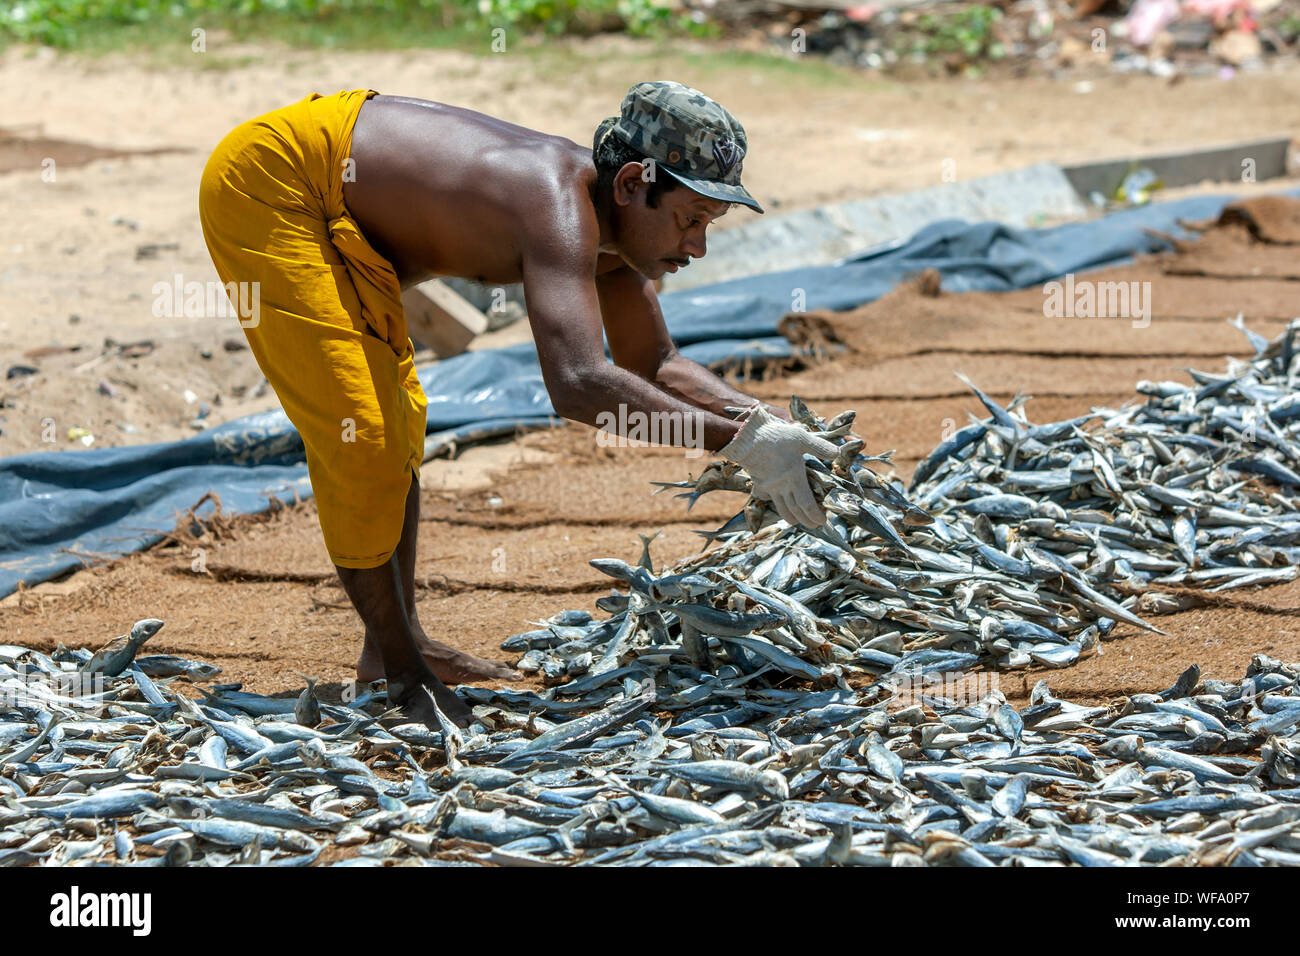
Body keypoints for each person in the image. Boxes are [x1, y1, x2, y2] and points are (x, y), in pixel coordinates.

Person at [198, 80, 835, 728]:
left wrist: (766, 425)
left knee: (398, 422)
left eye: (708, 225)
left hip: (334, 192)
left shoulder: (613, 233)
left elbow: (655, 363)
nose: (697, 247)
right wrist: (737, 445)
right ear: (632, 184)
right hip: (273, 184)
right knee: (361, 431)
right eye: (690, 218)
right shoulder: (557, 204)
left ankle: (394, 647)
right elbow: (579, 383)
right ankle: (402, 676)